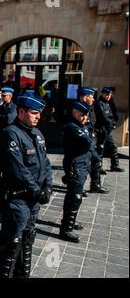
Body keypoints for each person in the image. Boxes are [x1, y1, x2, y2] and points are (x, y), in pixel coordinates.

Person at [0, 93, 53, 278]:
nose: (38, 116)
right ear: (21, 112)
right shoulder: (10, 134)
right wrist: (37, 191)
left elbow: (46, 163)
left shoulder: (37, 134)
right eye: (34, 113)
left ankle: (22, 275)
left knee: (27, 238)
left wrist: (48, 186)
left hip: (32, 200)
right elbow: (17, 169)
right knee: (11, 241)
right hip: (16, 198)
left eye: (39, 113)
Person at [59, 102, 94, 243]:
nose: (85, 117)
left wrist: (90, 137)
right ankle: (66, 228)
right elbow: (88, 143)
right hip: (76, 165)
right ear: (74, 112)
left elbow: (91, 140)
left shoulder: (83, 125)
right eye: (82, 114)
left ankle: (70, 222)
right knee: (74, 196)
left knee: (76, 197)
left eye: (86, 115)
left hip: (84, 163)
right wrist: (90, 137)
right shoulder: (72, 126)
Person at [78, 87, 109, 195]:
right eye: (91, 97)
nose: (93, 99)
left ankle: (95, 185)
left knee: (96, 162)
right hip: (83, 142)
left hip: (91, 140)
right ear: (85, 97)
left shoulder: (89, 108)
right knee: (82, 166)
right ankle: (78, 188)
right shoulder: (79, 108)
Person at [94, 87, 124, 172]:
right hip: (101, 129)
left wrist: (113, 123)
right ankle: (98, 167)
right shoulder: (99, 103)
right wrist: (112, 123)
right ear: (102, 93)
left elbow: (113, 115)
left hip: (107, 129)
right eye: (106, 94)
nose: (108, 96)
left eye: (110, 94)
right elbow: (104, 117)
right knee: (100, 148)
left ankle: (114, 165)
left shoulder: (108, 103)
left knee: (113, 147)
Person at [0, 87, 17, 179]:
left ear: (10, 96)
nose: (2, 97)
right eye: (2, 95)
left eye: (4, 95)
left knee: (7, 155)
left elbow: (9, 119)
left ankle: (6, 174)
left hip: (8, 135)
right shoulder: (0, 107)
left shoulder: (13, 107)